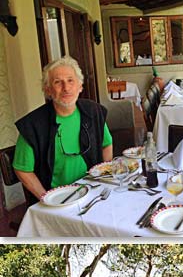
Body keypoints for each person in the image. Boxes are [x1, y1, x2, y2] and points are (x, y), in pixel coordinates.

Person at [13, 56, 113, 201]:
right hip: (58, 197)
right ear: (48, 90)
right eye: (58, 82)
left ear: (80, 86)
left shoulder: (93, 112)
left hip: (93, 192)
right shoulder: (33, 125)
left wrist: (104, 177)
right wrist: (47, 198)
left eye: (70, 81)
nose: (66, 88)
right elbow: (22, 169)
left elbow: (106, 144)